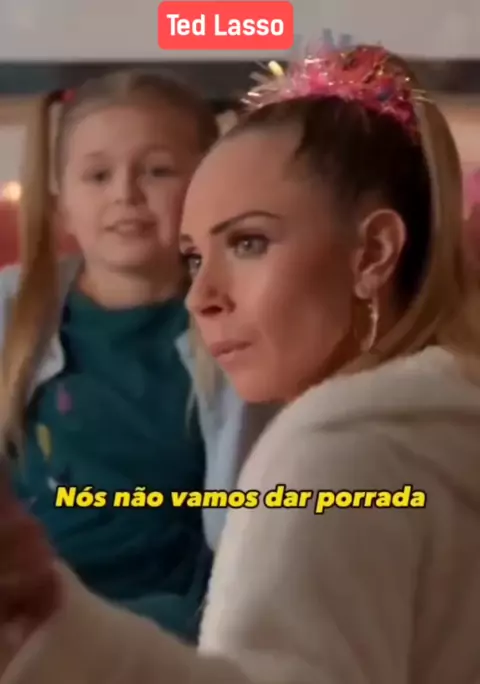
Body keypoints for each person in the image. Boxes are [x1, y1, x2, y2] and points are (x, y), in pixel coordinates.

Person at [2, 43, 480, 684]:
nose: (200, 297)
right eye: (195, 258)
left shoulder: (339, 453)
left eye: (249, 242)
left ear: (372, 253)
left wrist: (47, 630)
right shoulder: (438, 420)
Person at [0, 72, 277, 641]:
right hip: (27, 623)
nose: (125, 194)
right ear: (62, 202)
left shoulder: (244, 325)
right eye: (98, 175)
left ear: (209, 189)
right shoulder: (11, 309)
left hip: (176, 632)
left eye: (157, 171)